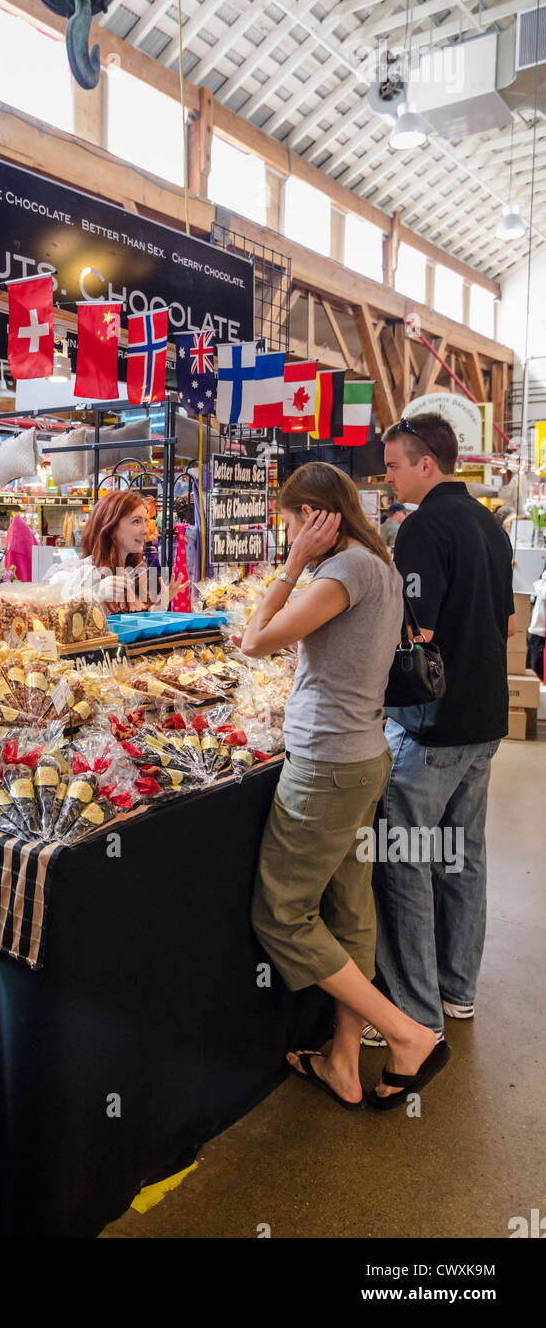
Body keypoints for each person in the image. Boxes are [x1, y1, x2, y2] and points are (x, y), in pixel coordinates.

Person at [240, 462, 449, 1111]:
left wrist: (289, 563)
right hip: (360, 756)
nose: (290, 530)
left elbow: (255, 640)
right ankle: (341, 1059)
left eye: (292, 520)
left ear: (313, 517)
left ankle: (404, 1034)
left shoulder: (343, 571)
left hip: (326, 767)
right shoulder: (377, 565)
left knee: (280, 913)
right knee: (349, 911)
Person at [370, 413, 514, 1045]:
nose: (388, 476)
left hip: (431, 728)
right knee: (462, 857)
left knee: (405, 860)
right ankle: (458, 992)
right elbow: (506, 626)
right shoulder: (489, 523)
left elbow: (413, 633)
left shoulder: (423, 527)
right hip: (485, 719)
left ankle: (413, 1009)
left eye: (395, 464)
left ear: (426, 463)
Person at [77, 489, 186, 613]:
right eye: (136, 521)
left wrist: (161, 603)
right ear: (111, 527)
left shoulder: (137, 572)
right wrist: (96, 594)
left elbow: (137, 624)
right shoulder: (86, 573)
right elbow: (69, 621)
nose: (146, 530)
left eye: (145, 521)